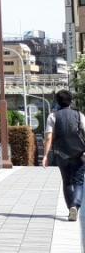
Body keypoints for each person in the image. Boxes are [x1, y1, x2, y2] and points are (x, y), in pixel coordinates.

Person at [42, 89, 85, 222]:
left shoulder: (52, 116)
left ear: (57, 101)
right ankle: (75, 206)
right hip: (79, 153)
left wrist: (45, 156)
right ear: (71, 101)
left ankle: (71, 207)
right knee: (79, 181)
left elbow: (48, 138)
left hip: (61, 154)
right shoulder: (79, 115)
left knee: (67, 182)